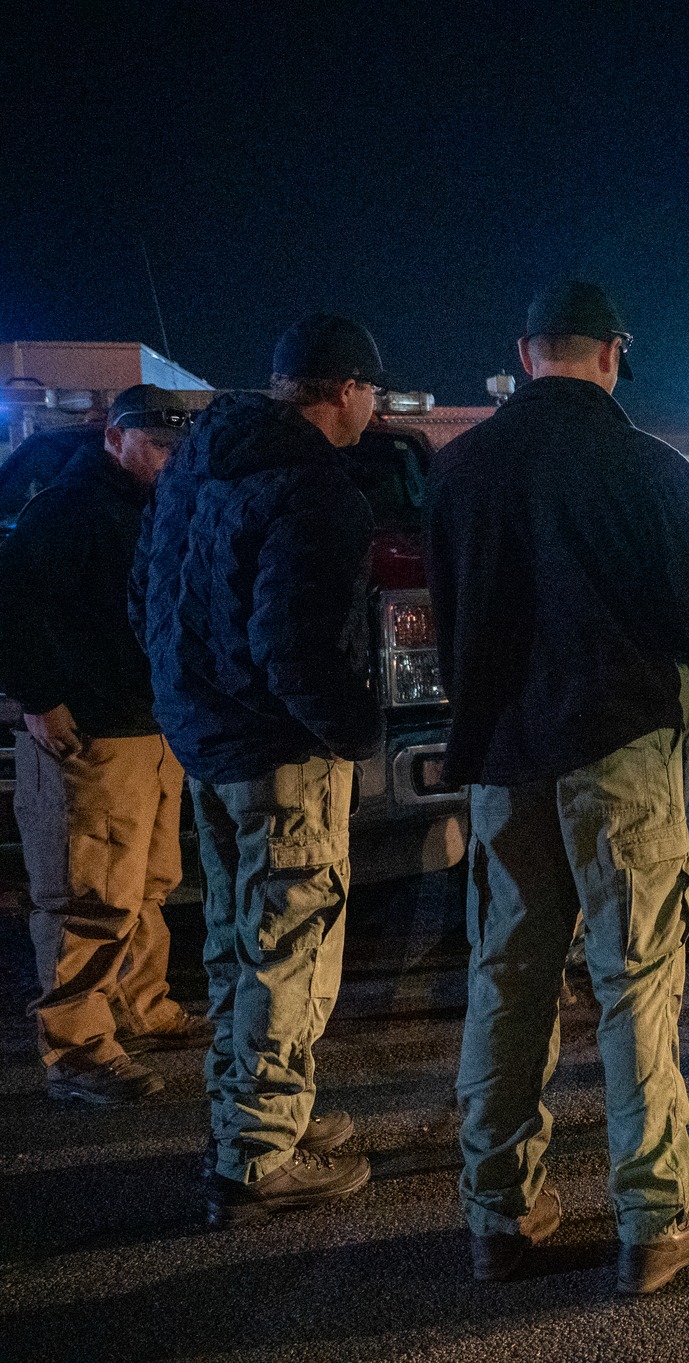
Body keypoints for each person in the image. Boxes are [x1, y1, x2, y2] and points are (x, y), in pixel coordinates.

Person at [427, 279, 689, 1294]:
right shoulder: (647, 467)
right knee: (633, 977)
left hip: (505, 755)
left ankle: (497, 1213)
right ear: (614, 353)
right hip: (618, 748)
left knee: (508, 978)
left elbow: (445, 616)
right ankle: (654, 1216)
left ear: (524, 354)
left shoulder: (461, 467)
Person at [136, 318, 388, 1222]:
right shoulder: (317, 488)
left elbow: (148, 598)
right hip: (281, 753)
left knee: (236, 941)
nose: (375, 406)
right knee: (290, 944)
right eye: (372, 391)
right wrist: (355, 730)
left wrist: (188, 702)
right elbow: (296, 644)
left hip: (206, 743)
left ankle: (247, 1110)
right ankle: (257, 1155)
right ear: (344, 390)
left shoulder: (200, 463)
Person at [0, 387, 208, 1105]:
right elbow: (13, 603)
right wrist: (40, 698)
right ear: (115, 438)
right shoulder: (68, 508)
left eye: (178, 448)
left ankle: (139, 1008)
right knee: (86, 893)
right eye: (156, 445)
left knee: (145, 884)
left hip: (149, 726)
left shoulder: (152, 507)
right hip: (87, 733)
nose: (169, 459)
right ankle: (78, 1049)